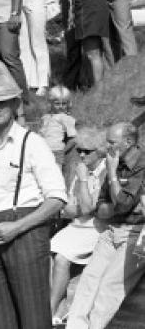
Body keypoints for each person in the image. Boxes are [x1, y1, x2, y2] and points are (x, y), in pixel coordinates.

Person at [0, 75, 67, 329]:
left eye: (2, 103)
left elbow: (57, 198)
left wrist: (18, 227)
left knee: (33, 316)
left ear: (15, 104)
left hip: (26, 232)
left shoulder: (32, 143)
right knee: (2, 316)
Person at [66, 122, 145, 329]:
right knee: (88, 283)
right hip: (112, 230)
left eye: (112, 142)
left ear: (128, 142)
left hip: (135, 234)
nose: (108, 147)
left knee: (109, 289)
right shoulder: (116, 160)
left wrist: (111, 173)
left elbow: (122, 203)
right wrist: (116, 204)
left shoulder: (139, 164)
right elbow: (102, 205)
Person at [49, 127, 106, 326]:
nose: (81, 154)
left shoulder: (103, 171)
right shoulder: (81, 169)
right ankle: (59, 309)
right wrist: (76, 207)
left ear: (99, 151)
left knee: (62, 257)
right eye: (79, 150)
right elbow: (72, 207)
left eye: (86, 151)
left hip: (96, 227)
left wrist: (83, 180)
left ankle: (50, 308)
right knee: (49, 251)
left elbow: (89, 207)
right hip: (76, 225)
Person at [39, 86, 77, 168]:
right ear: (51, 103)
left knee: (56, 174)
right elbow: (41, 132)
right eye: (57, 103)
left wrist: (63, 151)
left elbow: (73, 139)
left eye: (64, 103)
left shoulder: (66, 118)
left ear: (68, 104)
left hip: (56, 150)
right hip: (43, 149)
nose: (61, 106)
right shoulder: (46, 117)